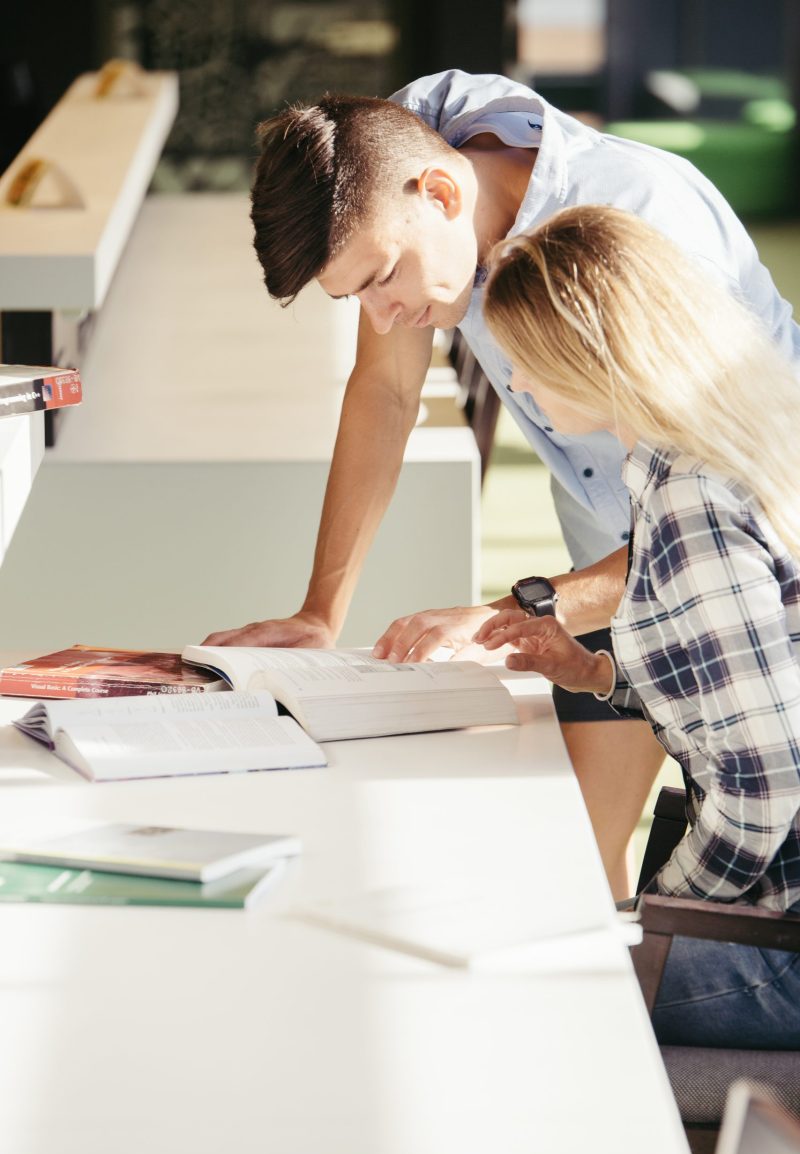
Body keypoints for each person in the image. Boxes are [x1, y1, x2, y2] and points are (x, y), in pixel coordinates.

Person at [204, 70, 800, 898]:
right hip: (608, 553)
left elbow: (712, 525)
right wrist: (320, 613)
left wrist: (512, 611)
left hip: (745, 554)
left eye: (382, 279)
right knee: (577, 870)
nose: (381, 315)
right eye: (355, 297)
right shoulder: (394, 153)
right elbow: (384, 391)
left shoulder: (642, 234)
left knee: (711, 845)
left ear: (443, 192)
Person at [473, 205, 800, 1048]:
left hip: (782, 942)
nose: (522, 390)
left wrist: (652, 916)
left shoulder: (691, 494)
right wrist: (592, 674)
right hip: (774, 905)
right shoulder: (720, 447)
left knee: (493, 990)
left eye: (526, 365)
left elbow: (766, 786)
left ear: (585, 355)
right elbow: (741, 684)